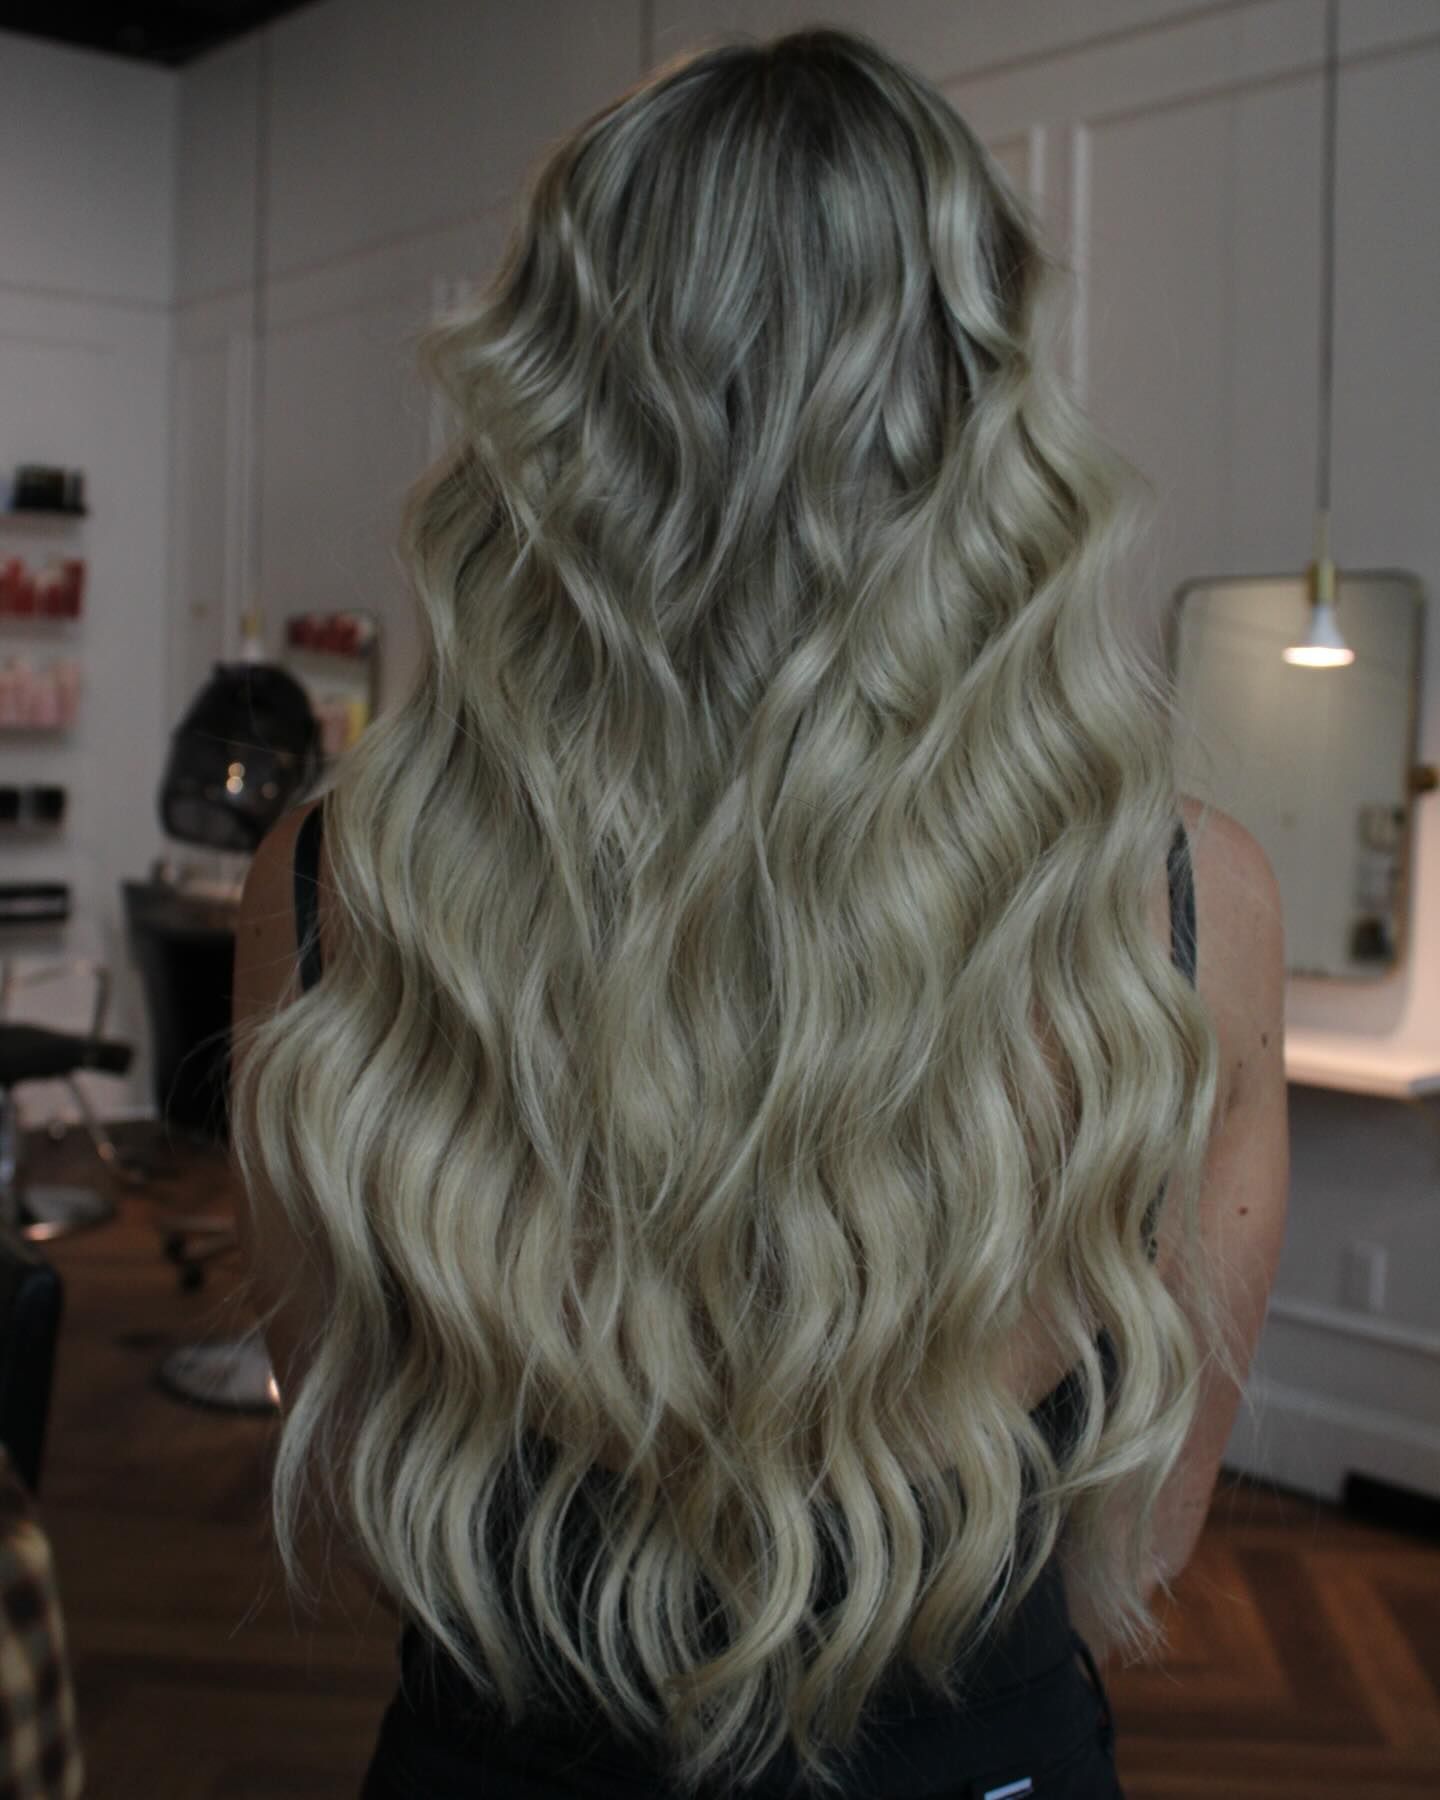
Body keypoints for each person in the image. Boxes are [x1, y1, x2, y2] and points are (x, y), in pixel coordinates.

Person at [228, 25, 1289, 1800]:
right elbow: (1150, 1535)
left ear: (547, 405)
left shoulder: (344, 886)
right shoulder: (1187, 910)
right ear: (981, 403)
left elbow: (346, 1478)